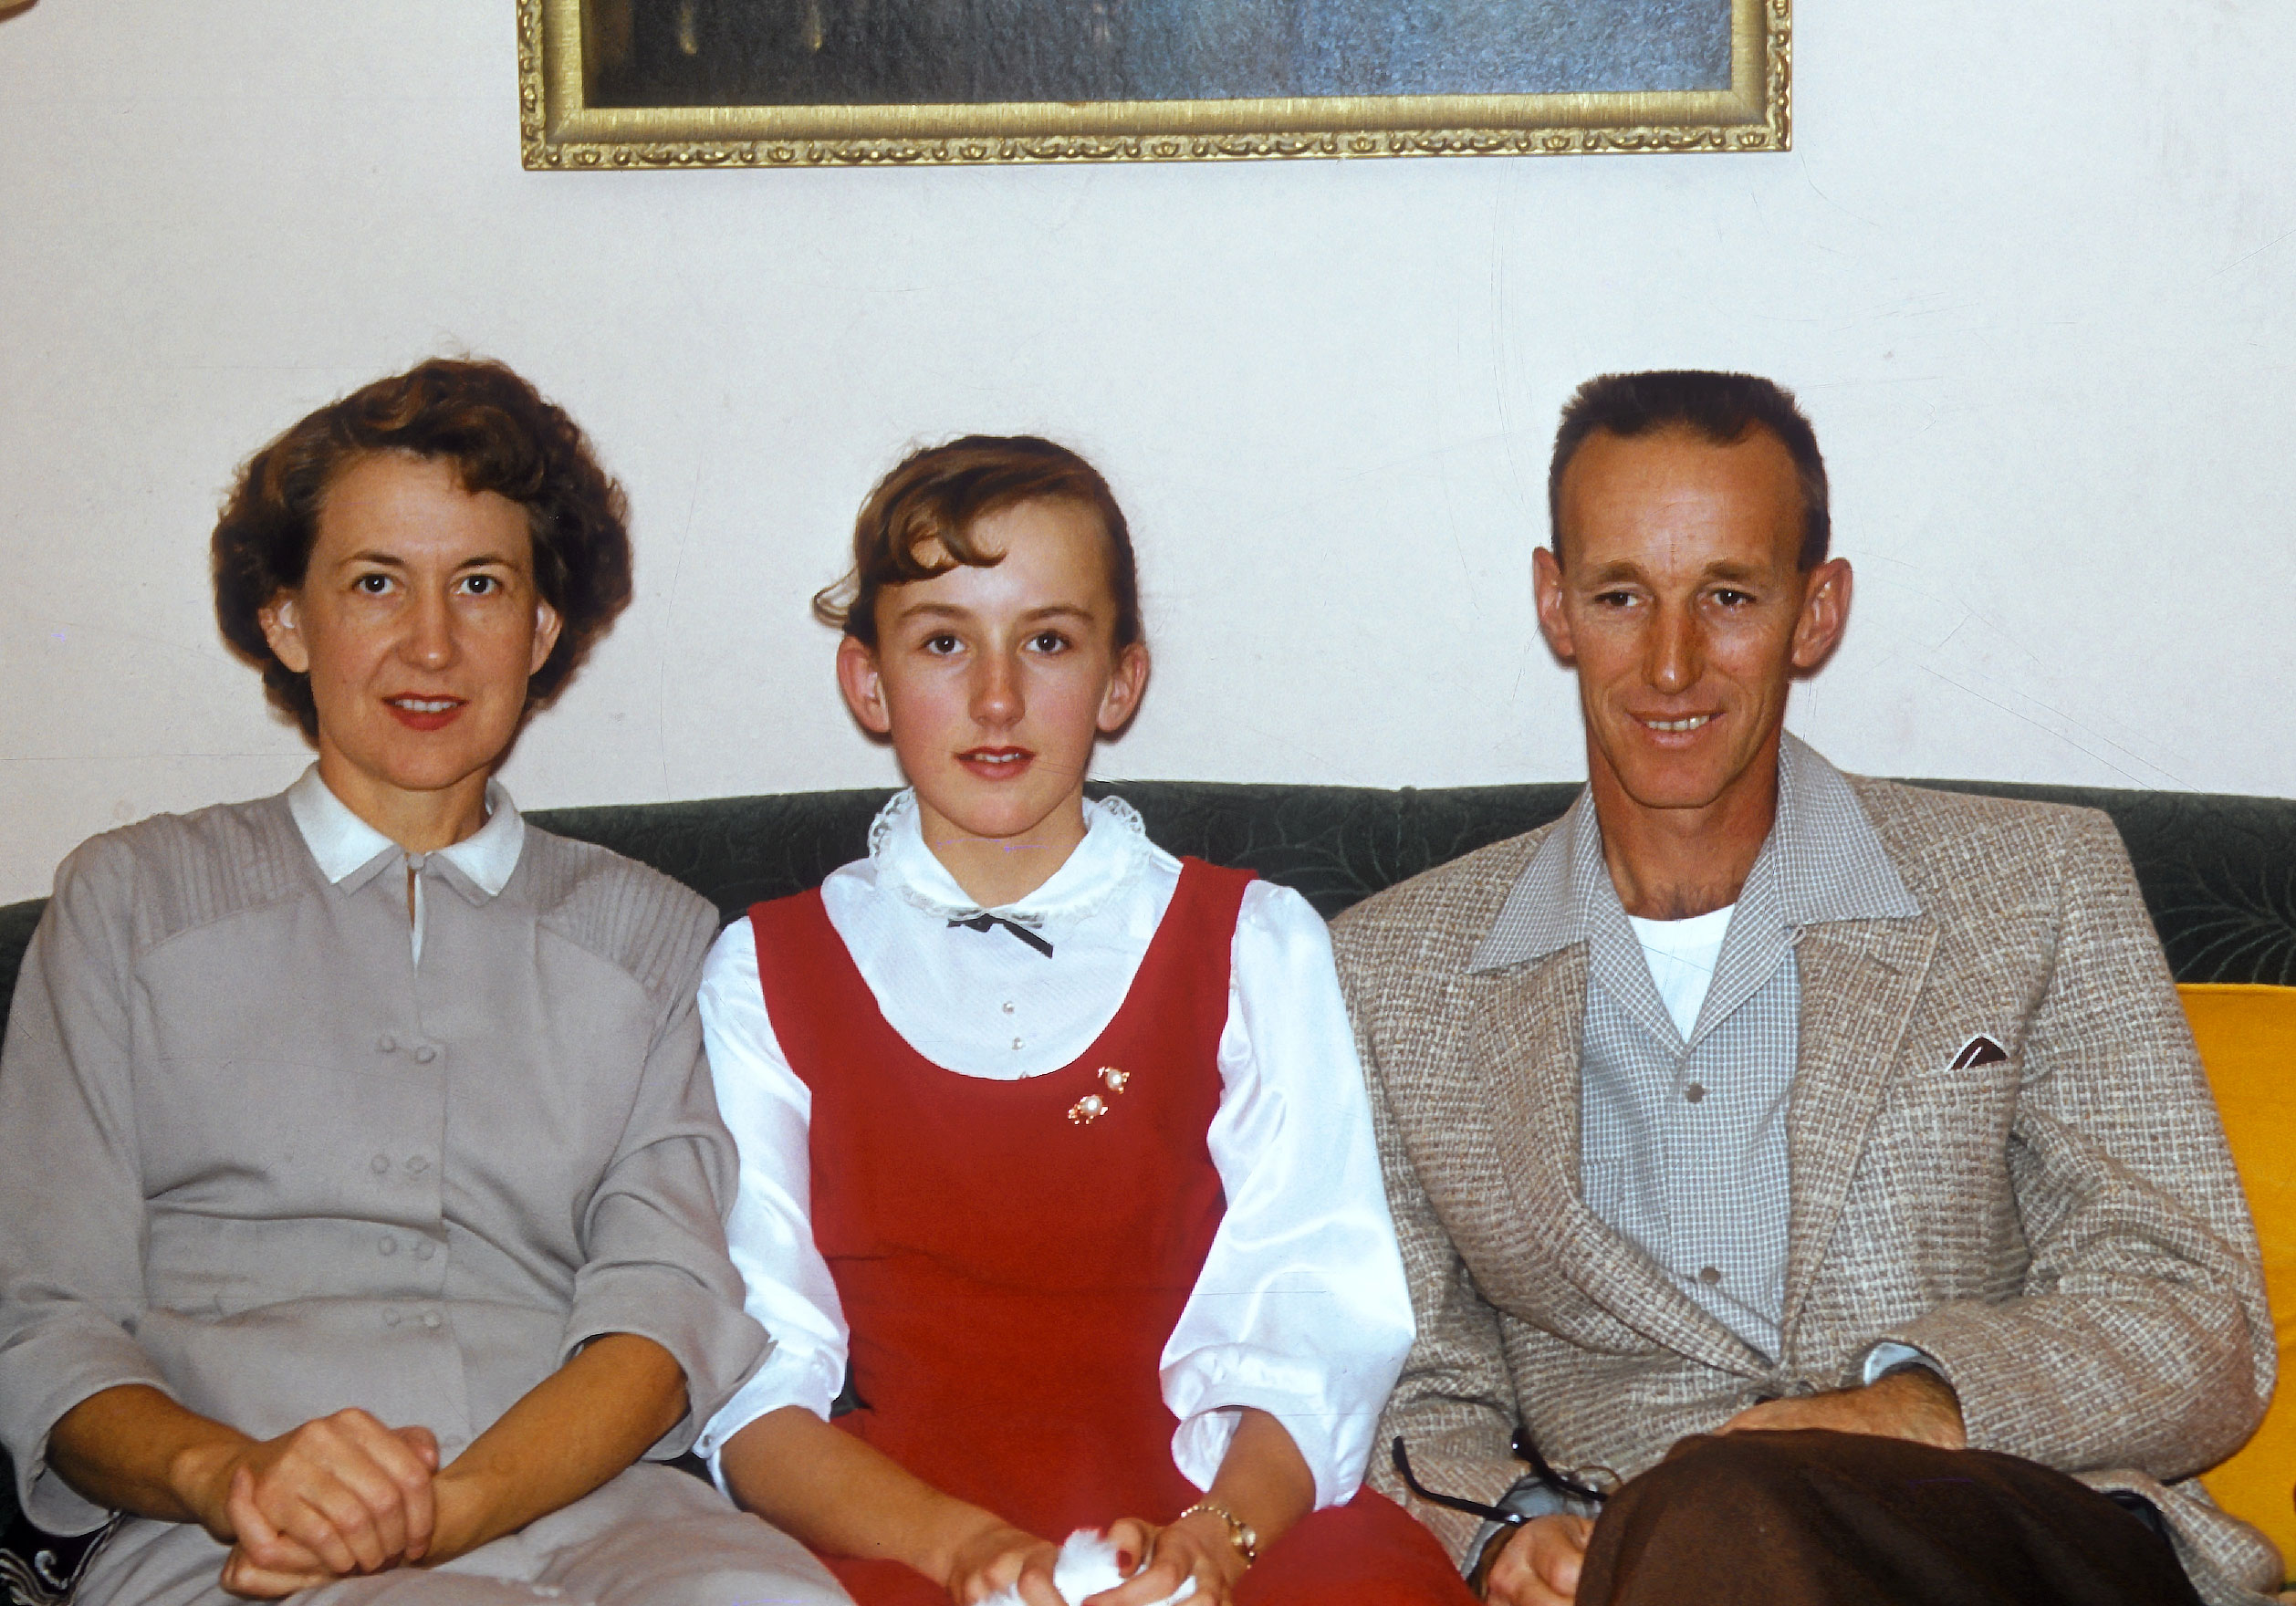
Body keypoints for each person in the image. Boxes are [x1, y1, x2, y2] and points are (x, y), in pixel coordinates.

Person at [1332, 370, 2282, 1606]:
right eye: (1623, 596)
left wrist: (1909, 1407)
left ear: (1815, 611)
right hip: (1637, 1554)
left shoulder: (2034, 885)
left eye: (1728, 596)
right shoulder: (1392, 972)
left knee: (1721, 1511)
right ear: (1555, 604)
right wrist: (1508, 1529)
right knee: (1701, 1532)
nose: (1672, 663)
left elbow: (2197, 1318)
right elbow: (1406, 1381)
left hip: (1997, 1534)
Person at [0, 360, 847, 1606]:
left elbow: (662, 1314)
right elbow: (46, 1320)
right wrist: (232, 1477)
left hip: (604, 1514)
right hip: (241, 1538)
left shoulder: (650, 937)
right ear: (289, 619)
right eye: (377, 583)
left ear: (541, 630)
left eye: (484, 586)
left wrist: (456, 1510)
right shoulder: (131, 902)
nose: (433, 643)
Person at [693, 435, 1477, 1606]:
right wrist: (968, 1553)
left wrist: (1213, 1546)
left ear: (1120, 679)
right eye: (944, 641)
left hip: (1220, 1511)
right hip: (902, 1530)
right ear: (867, 680)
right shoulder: (766, 970)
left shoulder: (1254, 942)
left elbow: (1312, 1315)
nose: (997, 696)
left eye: (1047, 641)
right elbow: (756, 1384)